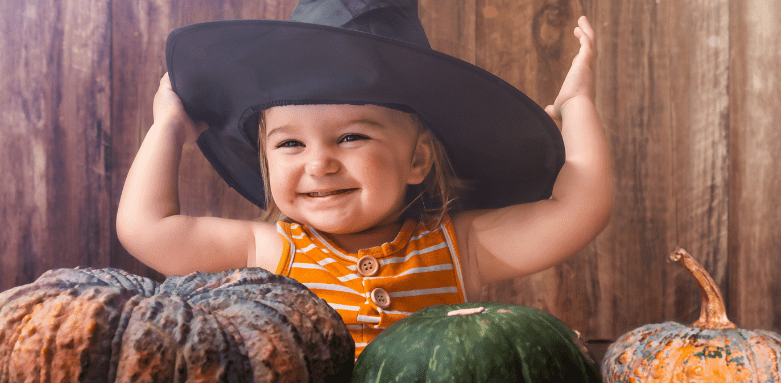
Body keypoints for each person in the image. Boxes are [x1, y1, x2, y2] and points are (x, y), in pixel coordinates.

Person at [117, 0, 612, 358]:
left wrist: (577, 106)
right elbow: (148, 229)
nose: (319, 164)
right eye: (290, 143)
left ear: (417, 160)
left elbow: (577, 210)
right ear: (266, 163)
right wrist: (168, 130)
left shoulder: (457, 246)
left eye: (351, 137)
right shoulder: (267, 251)